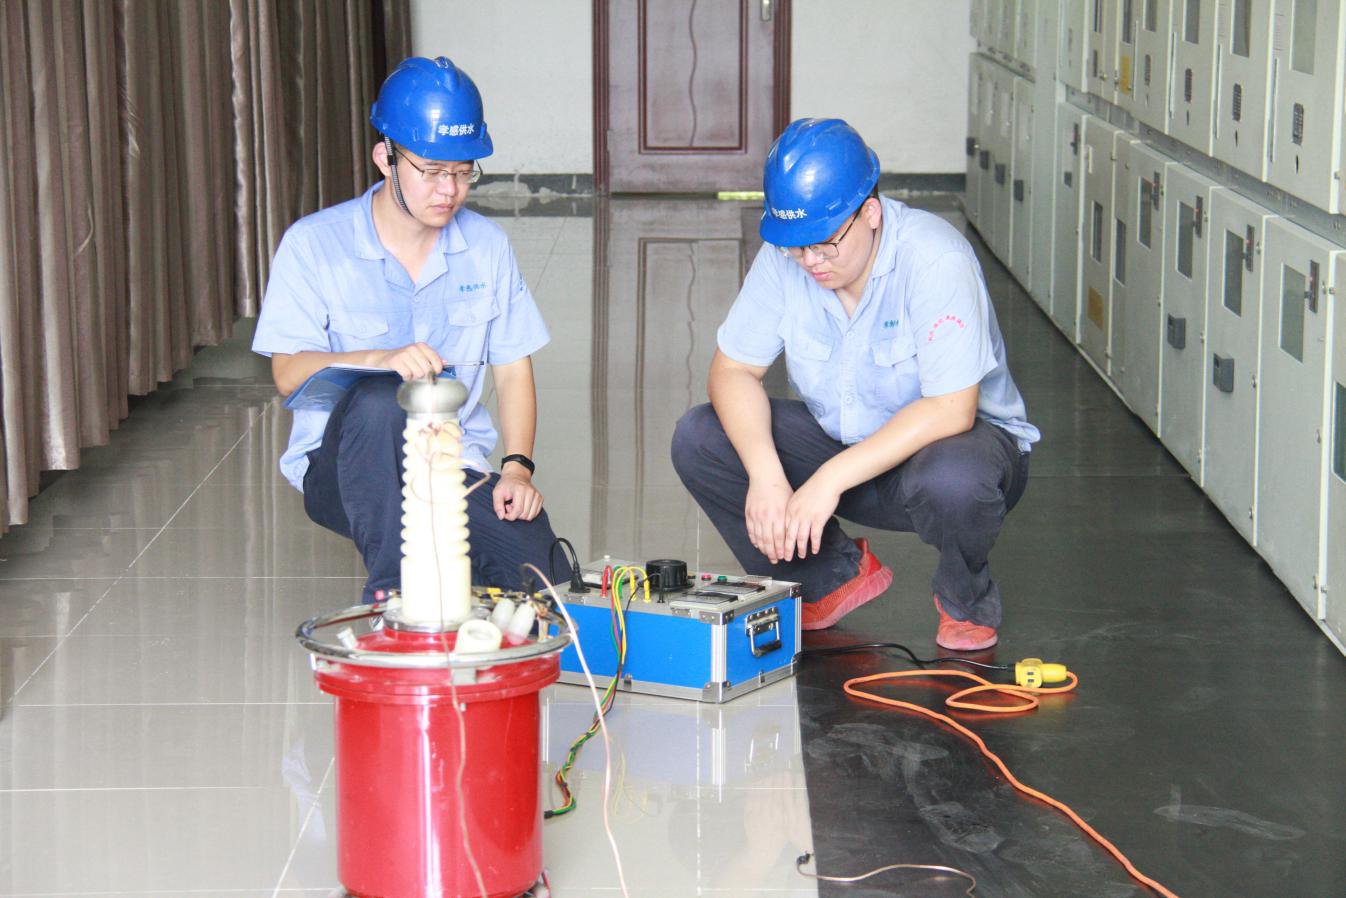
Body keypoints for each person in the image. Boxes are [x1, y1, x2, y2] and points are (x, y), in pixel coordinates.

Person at [671, 118, 1038, 650]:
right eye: (797, 247)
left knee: (955, 477)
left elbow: (952, 408)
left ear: (870, 213)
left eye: (824, 244)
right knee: (700, 437)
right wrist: (767, 476)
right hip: (847, 446)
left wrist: (827, 481)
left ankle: (966, 598)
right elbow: (732, 371)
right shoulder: (789, 256)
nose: (810, 261)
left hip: (951, 458)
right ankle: (826, 578)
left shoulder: (935, 259)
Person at [251, 56, 556, 603]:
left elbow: (513, 370)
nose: (449, 190)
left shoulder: (487, 246)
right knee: (382, 400)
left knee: (545, 581)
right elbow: (287, 373)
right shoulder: (313, 244)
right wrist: (379, 359)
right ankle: (394, 597)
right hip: (341, 469)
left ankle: (454, 577)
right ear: (385, 158)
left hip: (449, 464)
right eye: (432, 171)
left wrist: (517, 470)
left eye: (462, 172)